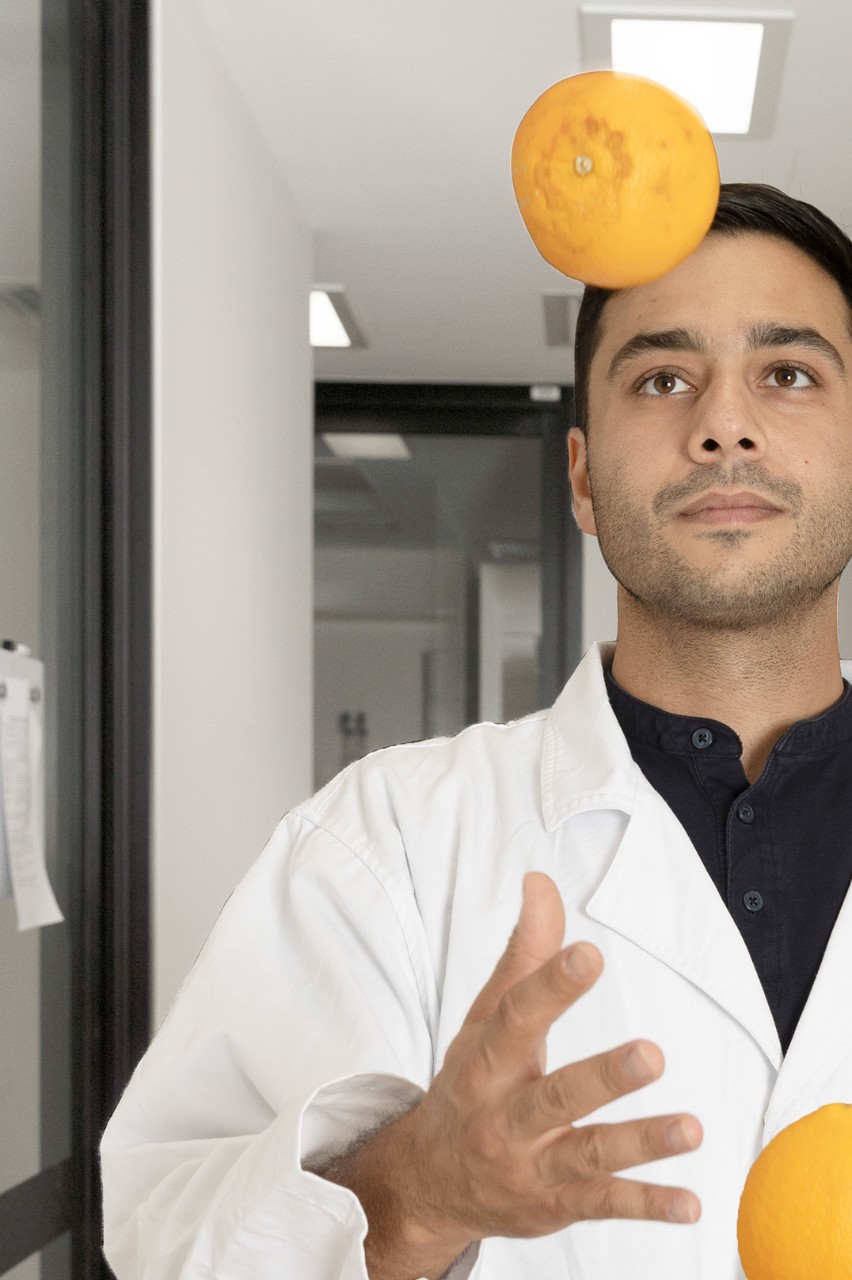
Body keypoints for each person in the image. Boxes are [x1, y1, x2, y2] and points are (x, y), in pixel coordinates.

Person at [101, 183, 852, 1279]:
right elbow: (168, 1244)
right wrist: (411, 1194)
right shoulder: (386, 843)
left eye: (787, 374)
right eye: (662, 376)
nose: (722, 422)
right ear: (586, 478)